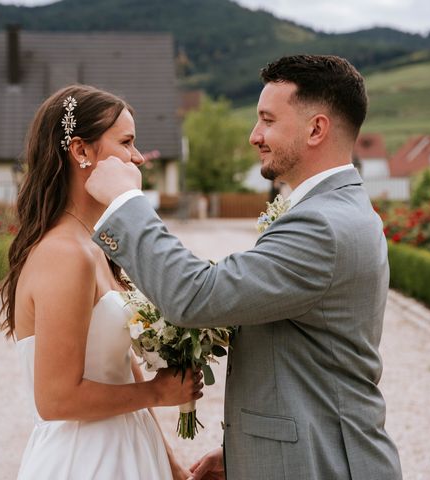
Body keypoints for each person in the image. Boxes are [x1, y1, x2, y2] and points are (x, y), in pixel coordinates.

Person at [85, 55, 403, 479]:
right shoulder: (333, 209)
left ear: (316, 129)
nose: (255, 136)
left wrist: (126, 204)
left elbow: (194, 296)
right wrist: (245, 453)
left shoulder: (322, 225)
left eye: (267, 120)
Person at [0, 85, 203, 480]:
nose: (138, 157)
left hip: (131, 446)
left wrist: (172, 465)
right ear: (81, 152)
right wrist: (159, 393)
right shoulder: (63, 254)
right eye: (126, 142)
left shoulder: (96, 245)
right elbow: (56, 398)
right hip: (86, 460)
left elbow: (123, 367)